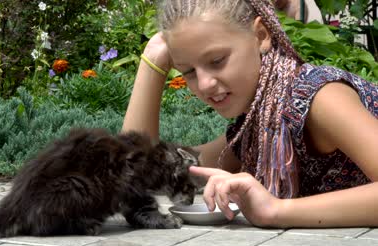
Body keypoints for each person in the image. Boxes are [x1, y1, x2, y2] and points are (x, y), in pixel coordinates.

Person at [122, 0, 378, 228]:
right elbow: (142, 171)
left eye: (217, 60)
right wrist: (152, 61)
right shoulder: (259, 127)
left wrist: (275, 210)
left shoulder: (320, 98)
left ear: (261, 34)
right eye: (187, 70)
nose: (204, 84)